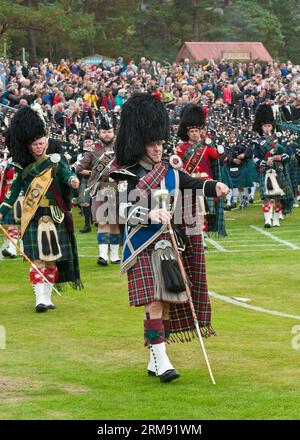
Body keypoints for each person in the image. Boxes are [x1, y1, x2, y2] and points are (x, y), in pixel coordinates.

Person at [112, 93, 228, 383]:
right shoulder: (125, 174)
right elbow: (115, 207)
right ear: (139, 143)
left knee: (164, 302)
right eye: (153, 143)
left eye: (161, 142)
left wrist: (216, 186)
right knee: (154, 301)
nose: (158, 148)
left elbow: (194, 183)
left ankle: (154, 358)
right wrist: (148, 215)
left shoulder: (169, 171)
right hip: (142, 244)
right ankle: (162, 361)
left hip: (167, 245)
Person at [0, 106, 81, 312]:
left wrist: (72, 181)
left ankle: (48, 296)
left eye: (42, 143)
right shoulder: (20, 168)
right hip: (33, 215)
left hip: (54, 216)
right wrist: (1, 210)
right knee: (36, 259)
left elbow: (66, 175)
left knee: (51, 260)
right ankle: (40, 299)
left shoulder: (55, 161)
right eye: (36, 144)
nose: (40, 147)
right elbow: (12, 193)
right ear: (29, 146)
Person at [253, 104, 294, 227]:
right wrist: (264, 162)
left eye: (269, 126)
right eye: (265, 126)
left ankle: (276, 220)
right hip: (265, 171)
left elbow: (289, 152)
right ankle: (267, 220)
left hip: (278, 170)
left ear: (272, 126)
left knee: (277, 197)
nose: (267, 128)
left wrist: (280, 157)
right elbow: (254, 158)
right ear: (261, 127)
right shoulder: (257, 141)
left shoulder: (279, 140)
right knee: (266, 197)